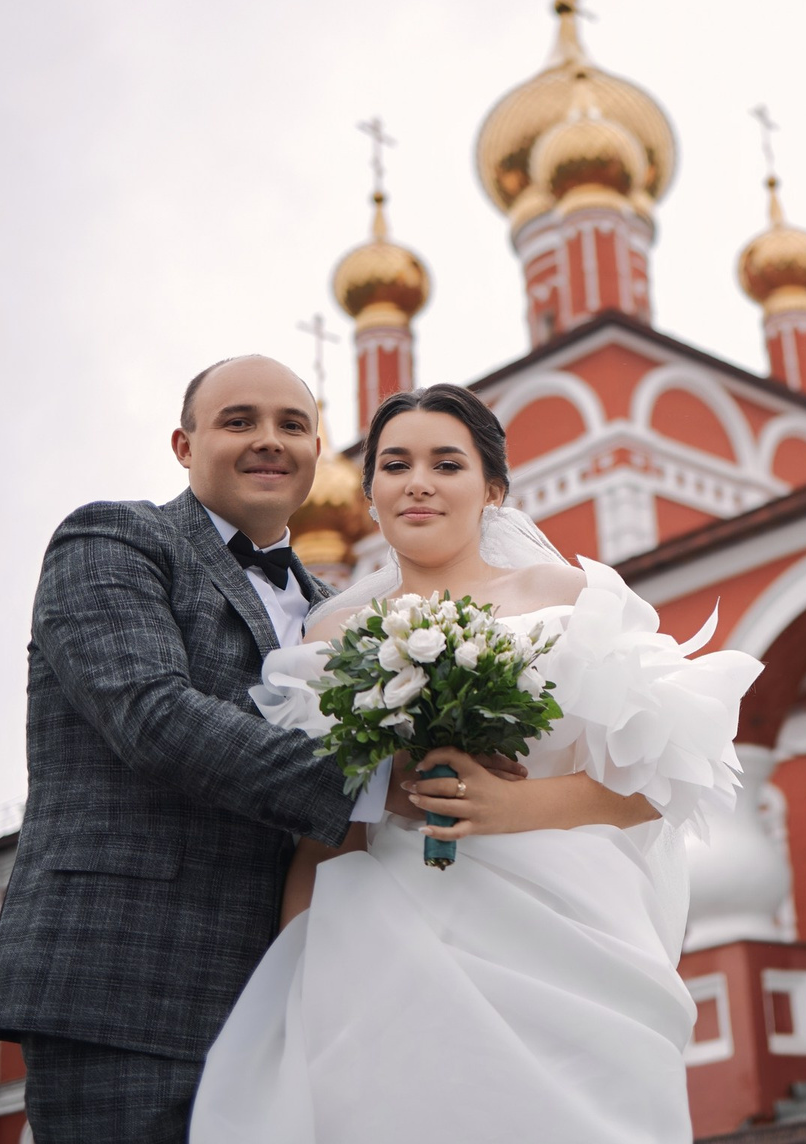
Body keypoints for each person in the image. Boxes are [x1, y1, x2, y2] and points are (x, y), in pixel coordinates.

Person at [189, 383, 760, 1144]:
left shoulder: (565, 598)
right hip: (382, 935)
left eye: (446, 463)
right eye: (395, 464)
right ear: (371, 492)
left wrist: (515, 806)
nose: (418, 481)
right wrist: (294, 963)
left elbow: (660, 781)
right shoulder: (329, 633)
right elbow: (326, 818)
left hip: (565, 928)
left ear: (491, 490)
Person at [0, 355, 420, 1141]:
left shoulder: (341, 614)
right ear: (183, 446)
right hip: (130, 980)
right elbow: (154, 717)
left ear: (318, 451)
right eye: (238, 421)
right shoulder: (113, 538)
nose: (268, 442)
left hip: (300, 989)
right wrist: (383, 784)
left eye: (292, 425)